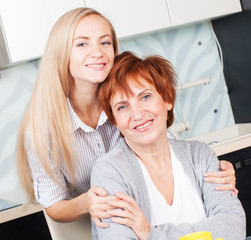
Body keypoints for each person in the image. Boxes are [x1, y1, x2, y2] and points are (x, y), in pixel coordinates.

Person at [16, 7, 237, 228]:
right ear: (61, 53)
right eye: (82, 44)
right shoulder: (42, 130)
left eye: (105, 42)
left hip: (147, 220)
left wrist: (210, 172)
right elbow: (54, 207)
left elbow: (165, 151)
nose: (97, 52)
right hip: (98, 226)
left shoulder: (125, 101)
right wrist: (88, 202)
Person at [91, 51, 246, 240]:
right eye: (122, 107)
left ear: (167, 99)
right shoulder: (110, 171)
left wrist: (152, 234)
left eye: (145, 97)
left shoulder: (200, 154)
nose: (138, 114)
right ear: (114, 120)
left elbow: (234, 227)